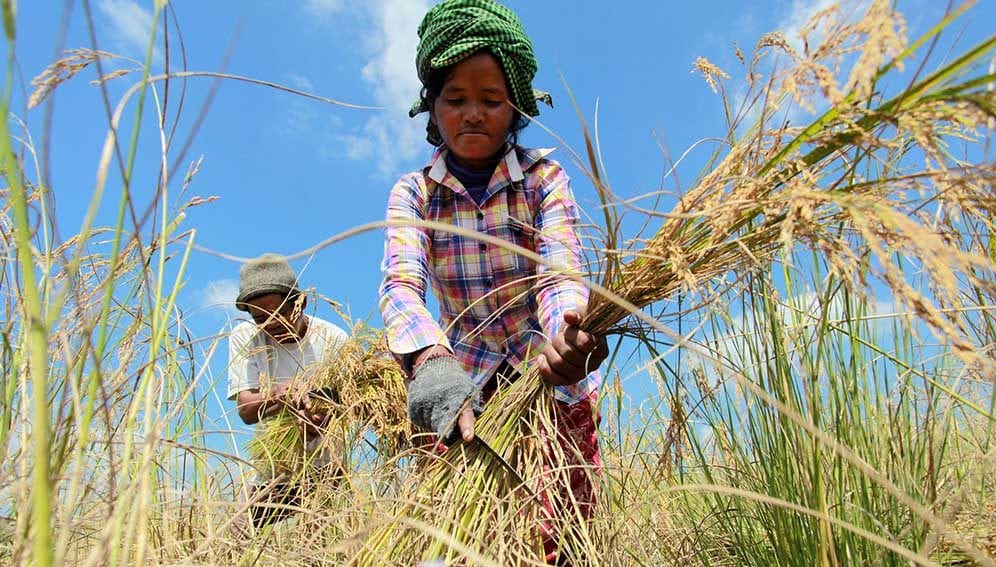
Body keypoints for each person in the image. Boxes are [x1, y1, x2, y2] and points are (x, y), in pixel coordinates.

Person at [377, 0, 609, 562]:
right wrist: (431, 360)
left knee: (562, 538)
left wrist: (566, 337)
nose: (473, 114)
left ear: (517, 108)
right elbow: (401, 287)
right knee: (462, 539)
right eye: (455, 100)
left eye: (491, 100)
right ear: (431, 106)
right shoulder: (415, 194)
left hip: (546, 379)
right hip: (463, 395)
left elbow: (560, 273)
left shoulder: (543, 179)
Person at [227, 253, 349, 529]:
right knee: (236, 531)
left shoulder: (335, 339)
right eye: (260, 318)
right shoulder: (245, 338)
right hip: (274, 467)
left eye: (278, 313)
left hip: (327, 468)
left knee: (321, 546)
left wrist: (319, 422)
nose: (271, 324)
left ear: (300, 303)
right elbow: (246, 410)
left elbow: (349, 405)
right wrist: (281, 395)